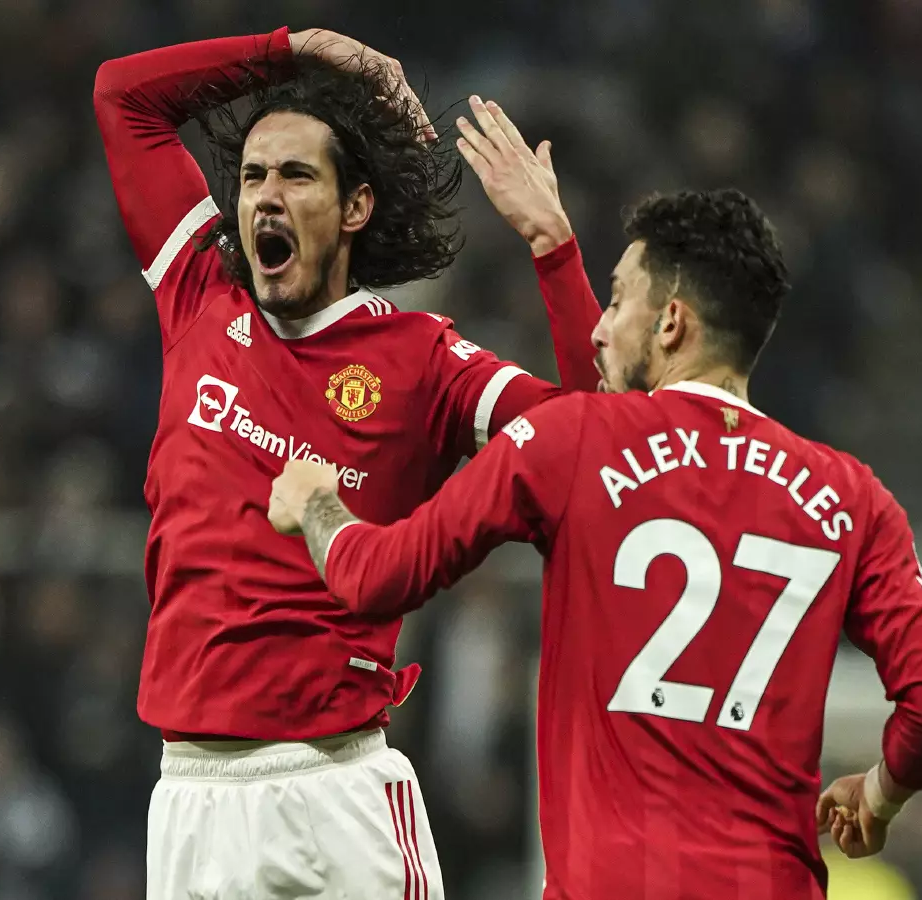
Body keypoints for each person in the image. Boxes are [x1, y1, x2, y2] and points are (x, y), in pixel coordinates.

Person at [268, 189, 922, 899]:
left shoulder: (570, 442)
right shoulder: (853, 497)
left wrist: (316, 505)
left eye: (616, 300)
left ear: (671, 322)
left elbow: (378, 577)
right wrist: (880, 794)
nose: (599, 330)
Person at [93, 25, 601, 899]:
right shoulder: (199, 298)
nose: (265, 197)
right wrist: (297, 48)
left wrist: (553, 248)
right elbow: (122, 96)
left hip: (334, 791)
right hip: (188, 798)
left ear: (354, 206)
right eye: (253, 176)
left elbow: (600, 443)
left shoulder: (421, 362)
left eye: (296, 176)